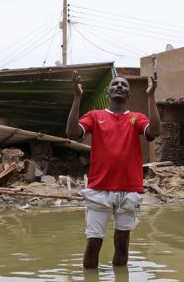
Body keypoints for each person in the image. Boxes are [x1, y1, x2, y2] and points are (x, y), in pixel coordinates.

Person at [66, 69, 161, 268]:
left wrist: (151, 97)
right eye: (115, 85)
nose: (119, 86)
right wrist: (77, 97)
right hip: (99, 189)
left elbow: (154, 131)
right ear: (108, 94)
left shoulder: (137, 118)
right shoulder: (95, 116)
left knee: (123, 245)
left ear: (128, 95)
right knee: (93, 244)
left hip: (129, 189)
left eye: (123, 85)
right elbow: (72, 131)